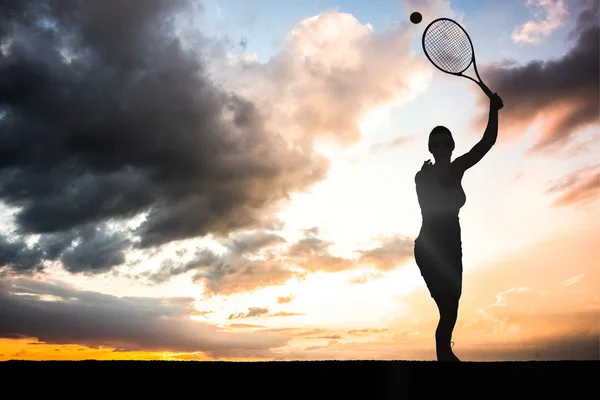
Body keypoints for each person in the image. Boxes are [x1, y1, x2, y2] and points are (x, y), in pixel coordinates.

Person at [414, 92, 504, 361]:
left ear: (451, 147)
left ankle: (445, 355)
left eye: (445, 144)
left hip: (450, 246)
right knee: (449, 308)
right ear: (431, 148)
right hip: (433, 247)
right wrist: (494, 111)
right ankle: (445, 357)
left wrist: (494, 111)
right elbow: (485, 144)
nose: (441, 148)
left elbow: (486, 144)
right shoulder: (436, 173)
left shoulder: (440, 171)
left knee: (450, 309)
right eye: (436, 144)